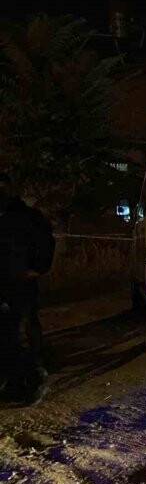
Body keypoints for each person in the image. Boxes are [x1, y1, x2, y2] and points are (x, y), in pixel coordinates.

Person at [0, 174, 55, 405]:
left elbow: (46, 242)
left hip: (20, 281)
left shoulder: (27, 217)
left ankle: (33, 368)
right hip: (4, 280)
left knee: (25, 322)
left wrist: (37, 268)